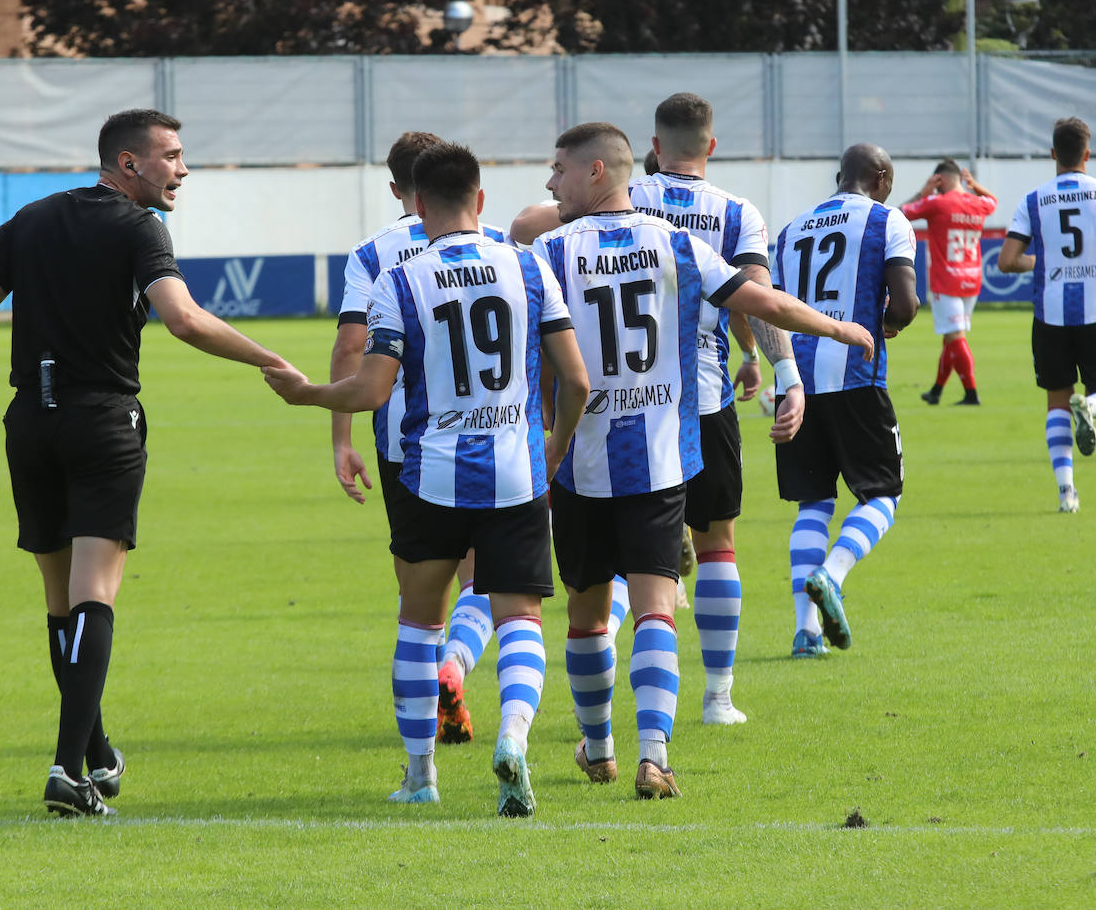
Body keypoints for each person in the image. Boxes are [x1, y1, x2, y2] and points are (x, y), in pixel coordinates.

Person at [0, 108, 299, 818]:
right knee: (95, 595)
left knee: (59, 602)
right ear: (129, 164)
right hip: (102, 422)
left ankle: (96, 751)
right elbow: (184, 318)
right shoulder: (141, 228)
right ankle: (66, 770)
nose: (183, 168)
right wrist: (270, 359)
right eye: (172, 155)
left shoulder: (30, 220)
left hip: (28, 426)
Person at [535, 122, 873, 798]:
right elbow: (763, 301)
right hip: (659, 463)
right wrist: (838, 327)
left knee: (587, 613)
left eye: (560, 170)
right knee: (656, 607)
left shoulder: (545, 252)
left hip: (575, 461)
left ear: (597, 172)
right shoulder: (680, 245)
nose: (551, 182)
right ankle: (654, 756)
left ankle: (599, 748)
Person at [265, 141, 590, 817]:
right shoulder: (528, 266)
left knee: (419, 620)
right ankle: (514, 739)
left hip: (430, 475)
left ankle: (420, 776)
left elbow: (370, 391)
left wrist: (305, 395)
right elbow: (577, 380)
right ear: (479, 199)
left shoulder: (400, 279)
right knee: (520, 615)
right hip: (515, 471)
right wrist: (554, 447)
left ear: (417, 204)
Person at [627, 92, 804, 720]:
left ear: (653, 146)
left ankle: (625, 707)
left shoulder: (623, 196)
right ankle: (718, 697)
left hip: (622, 399)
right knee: (720, 543)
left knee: (628, 549)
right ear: (711, 146)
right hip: (702, 396)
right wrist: (783, 370)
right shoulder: (735, 212)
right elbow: (753, 295)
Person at [331, 131, 511, 745]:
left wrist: (340, 438)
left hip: (402, 441)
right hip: (491, 433)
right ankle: (454, 665)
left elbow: (352, 346)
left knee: (418, 590)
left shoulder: (371, 255)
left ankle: (431, 692)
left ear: (397, 189)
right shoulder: (501, 248)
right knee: (484, 576)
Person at [774, 143, 920, 658]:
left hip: (796, 384)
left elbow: (773, 309)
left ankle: (805, 632)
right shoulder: (888, 221)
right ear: (880, 177)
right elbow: (905, 303)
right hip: (856, 377)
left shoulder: (790, 231)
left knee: (813, 503)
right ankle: (832, 576)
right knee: (883, 495)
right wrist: (888, 327)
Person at [998, 117, 1096, 513]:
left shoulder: (1033, 200)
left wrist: (1042, 263)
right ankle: (1092, 408)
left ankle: (1067, 494)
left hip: (1050, 316)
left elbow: (1007, 261)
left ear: (1052, 155)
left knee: (1056, 402)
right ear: (1087, 154)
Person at [900, 158, 997, 406]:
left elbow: (899, 215)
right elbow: (993, 201)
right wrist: (974, 185)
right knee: (950, 338)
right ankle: (936, 391)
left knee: (955, 337)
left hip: (947, 280)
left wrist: (923, 192)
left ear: (940, 180)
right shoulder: (978, 203)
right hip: (972, 278)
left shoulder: (937, 202)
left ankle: (971, 394)